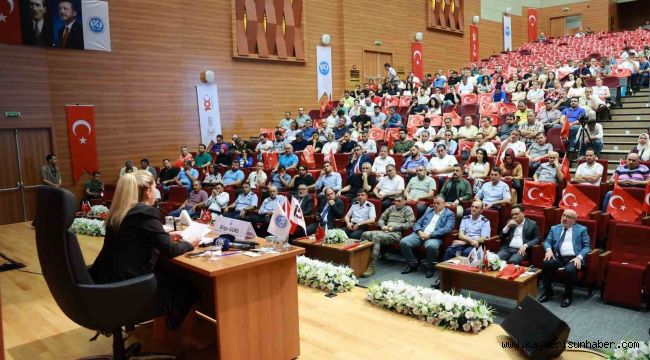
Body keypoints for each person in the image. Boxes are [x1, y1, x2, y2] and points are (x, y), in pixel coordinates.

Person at [89, 170, 198, 330]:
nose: (156, 191)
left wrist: (164, 236)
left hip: (105, 281)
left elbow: (136, 239)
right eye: (155, 187)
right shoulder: (145, 213)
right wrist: (190, 242)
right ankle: (174, 340)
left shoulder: (120, 212)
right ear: (148, 192)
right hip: (128, 286)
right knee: (187, 287)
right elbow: (169, 251)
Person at [538, 209, 591, 308]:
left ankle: (567, 296)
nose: (564, 218)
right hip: (558, 257)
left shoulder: (581, 229)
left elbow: (587, 247)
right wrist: (548, 250)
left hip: (573, 258)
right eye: (563, 215)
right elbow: (547, 242)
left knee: (569, 270)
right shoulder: (555, 228)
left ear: (574, 220)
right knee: (546, 263)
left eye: (568, 217)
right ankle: (548, 292)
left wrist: (579, 257)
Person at [399, 196, 455, 278]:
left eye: (438, 204)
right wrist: (419, 232)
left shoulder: (449, 214)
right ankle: (412, 264)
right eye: (434, 203)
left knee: (431, 246)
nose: (435, 205)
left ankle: (431, 268)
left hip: (434, 237)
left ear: (444, 204)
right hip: (420, 234)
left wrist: (430, 235)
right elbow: (418, 223)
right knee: (404, 242)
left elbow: (448, 228)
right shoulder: (429, 210)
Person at [359, 195, 415, 277]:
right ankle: (361, 261)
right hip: (384, 231)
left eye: (399, 201)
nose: (396, 203)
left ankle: (372, 266)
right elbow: (381, 219)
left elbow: (410, 224)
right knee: (365, 234)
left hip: (395, 234)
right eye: (395, 201)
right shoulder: (391, 208)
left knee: (376, 237)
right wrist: (383, 226)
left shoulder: (408, 209)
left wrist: (394, 228)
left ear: (404, 201)